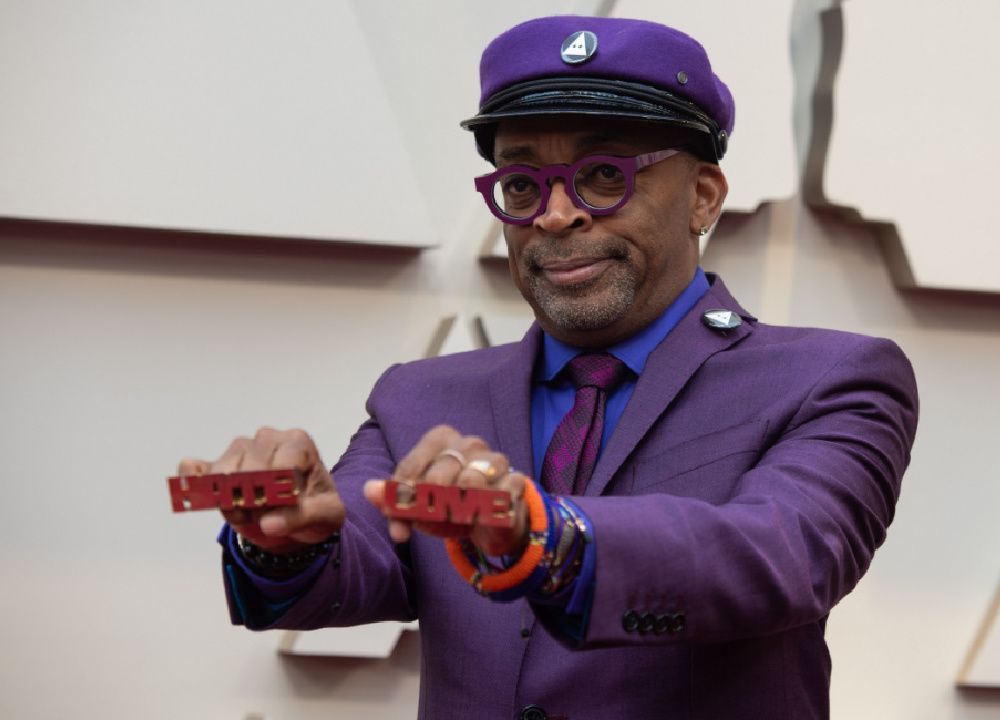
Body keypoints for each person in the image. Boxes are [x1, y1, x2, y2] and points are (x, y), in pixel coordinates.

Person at [180, 15, 918, 720]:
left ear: (702, 196)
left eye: (603, 176)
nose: (556, 215)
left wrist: (545, 535)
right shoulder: (422, 396)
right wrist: (287, 542)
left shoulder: (833, 379)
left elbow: (777, 557)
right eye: (523, 185)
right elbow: (351, 563)